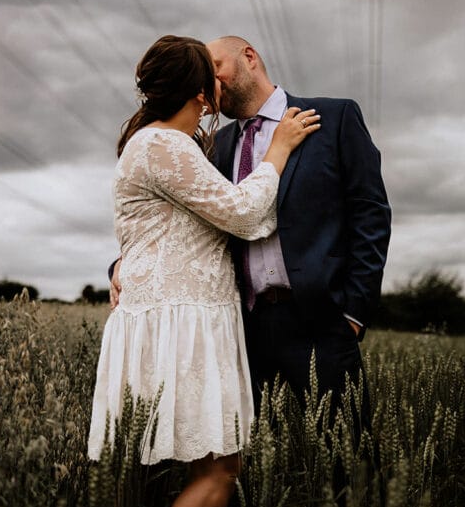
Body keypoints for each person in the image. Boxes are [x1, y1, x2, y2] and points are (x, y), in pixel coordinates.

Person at [88, 35, 320, 507]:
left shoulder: (157, 143)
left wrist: (122, 266)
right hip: (183, 316)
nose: (222, 81)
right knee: (220, 466)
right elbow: (242, 214)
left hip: (178, 312)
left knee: (206, 464)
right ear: (199, 89)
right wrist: (279, 149)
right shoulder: (165, 145)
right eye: (212, 74)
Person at [112, 36, 392, 431]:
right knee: (255, 462)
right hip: (243, 328)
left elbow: (370, 214)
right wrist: (123, 262)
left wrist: (353, 312)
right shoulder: (210, 146)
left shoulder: (333, 117)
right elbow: (178, 217)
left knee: (348, 460)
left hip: (322, 319)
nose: (210, 80)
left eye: (215, 66)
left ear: (249, 57)